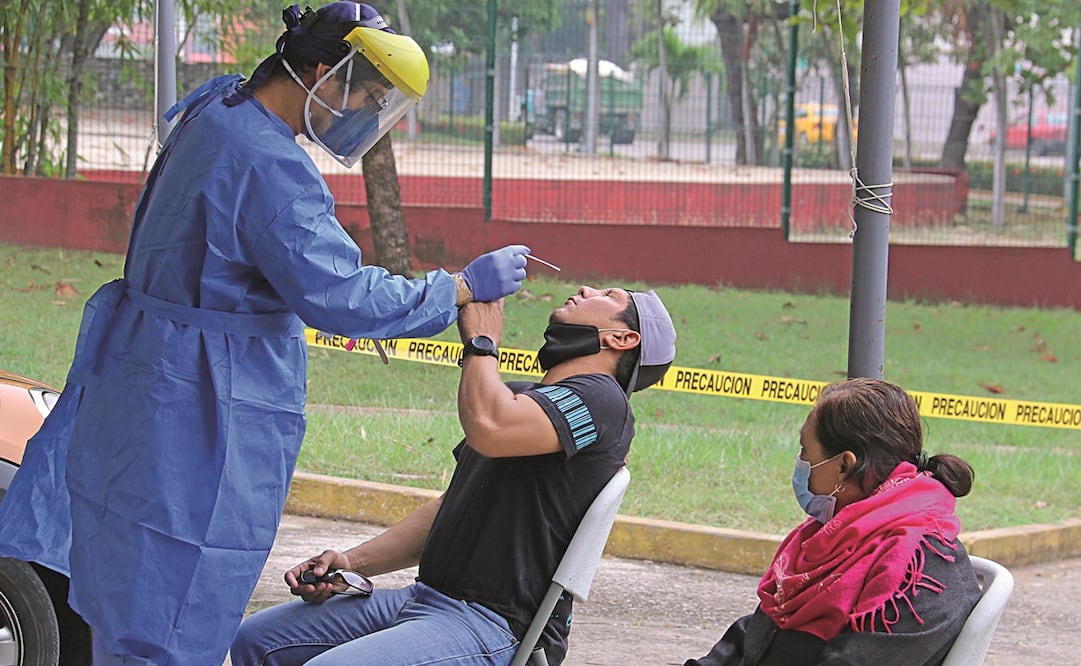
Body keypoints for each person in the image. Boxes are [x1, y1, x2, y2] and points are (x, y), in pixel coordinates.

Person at [0, 2, 531, 664]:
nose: (364, 114)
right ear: (319, 72)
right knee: (174, 602)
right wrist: (454, 288)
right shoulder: (268, 165)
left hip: (143, 379)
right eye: (364, 95)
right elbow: (340, 296)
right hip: (197, 404)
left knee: (128, 587)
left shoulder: (219, 111)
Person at [230, 285, 678, 666]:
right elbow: (452, 507)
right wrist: (350, 562)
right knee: (257, 640)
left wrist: (482, 342)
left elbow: (490, 426)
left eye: (608, 295)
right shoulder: (524, 402)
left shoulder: (603, 402)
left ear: (622, 337)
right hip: (424, 599)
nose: (587, 290)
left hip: (489, 623)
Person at [684, 377, 982, 666]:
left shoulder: (921, 571)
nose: (801, 465)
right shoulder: (835, 538)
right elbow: (762, 633)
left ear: (843, 465)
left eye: (805, 453)